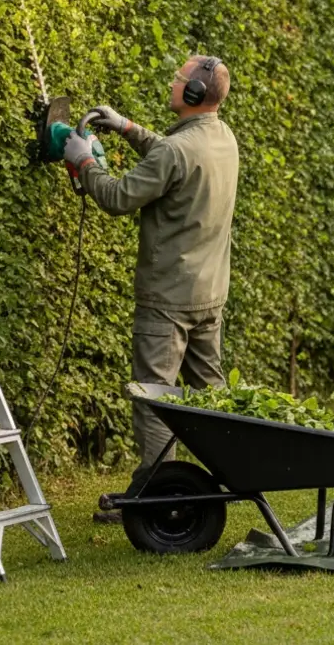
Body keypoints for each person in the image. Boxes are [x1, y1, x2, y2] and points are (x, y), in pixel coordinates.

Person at [64, 55, 238, 523]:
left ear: (195, 94)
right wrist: (126, 127)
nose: (172, 81)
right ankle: (228, 473)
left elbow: (119, 197)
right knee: (209, 397)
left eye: (179, 79)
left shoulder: (176, 152)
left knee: (155, 401)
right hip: (210, 293)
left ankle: (160, 501)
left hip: (168, 300)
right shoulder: (222, 138)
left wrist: (83, 163)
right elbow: (172, 155)